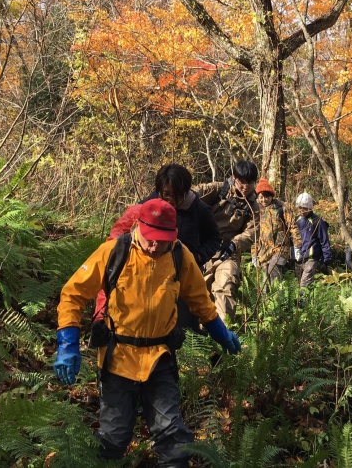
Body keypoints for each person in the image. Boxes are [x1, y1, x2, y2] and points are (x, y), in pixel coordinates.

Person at [53, 199, 241, 465]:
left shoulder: (180, 256)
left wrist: (221, 333)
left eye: (162, 241)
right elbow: (73, 294)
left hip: (160, 359)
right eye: (150, 239)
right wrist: (67, 343)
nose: (154, 246)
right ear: (138, 227)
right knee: (113, 437)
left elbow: (201, 301)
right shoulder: (114, 252)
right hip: (117, 359)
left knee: (172, 436)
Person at [93, 164, 220, 329]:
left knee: (185, 327)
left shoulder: (199, 209)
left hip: (184, 274)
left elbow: (214, 238)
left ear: (186, 191)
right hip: (147, 276)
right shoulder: (145, 207)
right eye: (167, 194)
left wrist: (198, 257)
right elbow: (116, 245)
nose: (171, 200)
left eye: (177, 195)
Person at [195, 160, 260, 320]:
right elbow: (188, 195)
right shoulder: (218, 189)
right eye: (242, 182)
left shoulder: (253, 206)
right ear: (234, 177)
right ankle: (200, 331)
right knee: (198, 294)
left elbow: (252, 231)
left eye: (250, 183)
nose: (245, 187)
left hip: (227, 253)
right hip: (202, 250)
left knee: (226, 287)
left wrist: (234, 244)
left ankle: (224, 330)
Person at [251, 179, 302, 287]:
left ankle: (279, 296)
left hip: (280, 247)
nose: (264, 200)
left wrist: (297, 246)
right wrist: (254, 254)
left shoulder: (282, 207)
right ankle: (267, 298)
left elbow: (293, 226)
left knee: (274, 269)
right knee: (264, 280)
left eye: (266, 197)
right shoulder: (256, 210)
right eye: (261, 197)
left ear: (271, 196)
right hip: (264, 251)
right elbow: (254, 233)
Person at [295, 192, 332, 289]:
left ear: (310, 207)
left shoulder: (318, 221)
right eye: (300, 208)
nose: (302, 210)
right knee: (298, 285)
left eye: (304, 208)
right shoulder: (297, 220)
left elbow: (324, 241)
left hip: (312, 258)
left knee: (304, 286)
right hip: (299, 258)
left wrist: (326, 260)